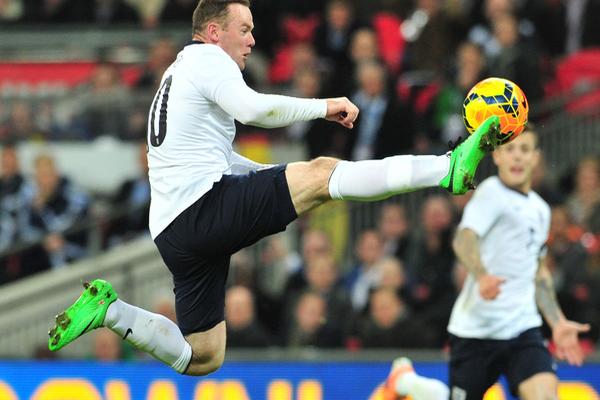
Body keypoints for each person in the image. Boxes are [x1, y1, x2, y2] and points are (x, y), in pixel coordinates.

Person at [48, 0, 501, 376]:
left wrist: (289, 173)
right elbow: (254, 110)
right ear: (212, 32)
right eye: (243, 29)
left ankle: (110, 311)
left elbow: (226, 160)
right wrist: (325, 106)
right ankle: (446, 168)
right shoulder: (206, 59)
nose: (251, 40)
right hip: (199, 211)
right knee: (324, 174)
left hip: (175, 231)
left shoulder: (180, 74)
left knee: (203, 357)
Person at [383, 127, 591, 400]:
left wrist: (558, 322)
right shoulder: (490, 194)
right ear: (497, 157)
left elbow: (538, 272)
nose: (517, 158)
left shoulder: (541, 210)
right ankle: (408, 382)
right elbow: (464, 239)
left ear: (536, 158)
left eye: (524, 150)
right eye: (510, 150)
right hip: (476, 331)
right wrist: (481, 276)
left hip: (522, 329)